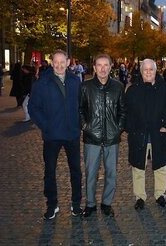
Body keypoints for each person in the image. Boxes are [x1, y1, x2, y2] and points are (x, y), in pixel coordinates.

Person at [28, 50, 82, 220]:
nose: (59, 65)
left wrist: (79, 123)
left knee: (76, 171)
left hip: (72, 133)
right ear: (52, 63)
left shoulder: (75, 81)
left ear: (68, 63)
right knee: (50, 171)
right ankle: (52, 204)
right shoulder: (42, 83)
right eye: (56, 62)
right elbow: (33, 108)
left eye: (62, 62)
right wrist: (46, 125)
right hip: (52, 135)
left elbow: (82, 106)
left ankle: (76, 204)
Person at [79, 54, 126, 218]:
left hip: (112, 138)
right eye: (99, 65)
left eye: (106, 65)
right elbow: (80, 109)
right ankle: (90, 204)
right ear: (94, 67)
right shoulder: (85, 87)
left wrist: (118, 128)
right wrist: (85, 126)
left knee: (111, 173)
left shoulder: (118, 87)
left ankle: (107, 203)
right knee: (91, 173)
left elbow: (123, 111)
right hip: (92, 137)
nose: (103, 68)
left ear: (111, 66)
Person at [125, 59, 166, 210]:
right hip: (139, 134)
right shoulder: (133, 90)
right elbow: (127, 113)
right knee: (138, 167)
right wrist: (131, 129)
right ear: (141, 71)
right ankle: (140, 197)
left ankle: (160, 195)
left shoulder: (163, 89)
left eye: (151, 69)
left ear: (155, 70)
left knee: (160, 167)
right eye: (145, 69)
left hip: (158, 134)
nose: (148, 72)